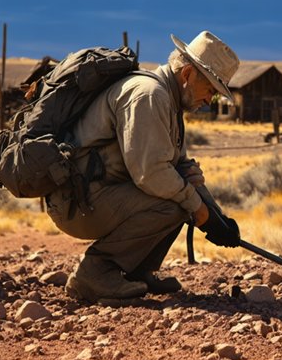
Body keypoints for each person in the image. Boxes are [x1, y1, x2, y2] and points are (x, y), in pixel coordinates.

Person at [44, 31, 242, 303]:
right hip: (78, 203)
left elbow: (181, 169)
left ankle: (136, 272)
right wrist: (201, 212)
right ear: (187, 75)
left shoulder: (169, 101)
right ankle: (95, 274)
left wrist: (217, 218)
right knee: (176, 202)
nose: (210, 100)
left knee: (184, 197)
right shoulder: (149, 96)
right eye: (210, 90)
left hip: (98, 195)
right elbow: (152, 175)